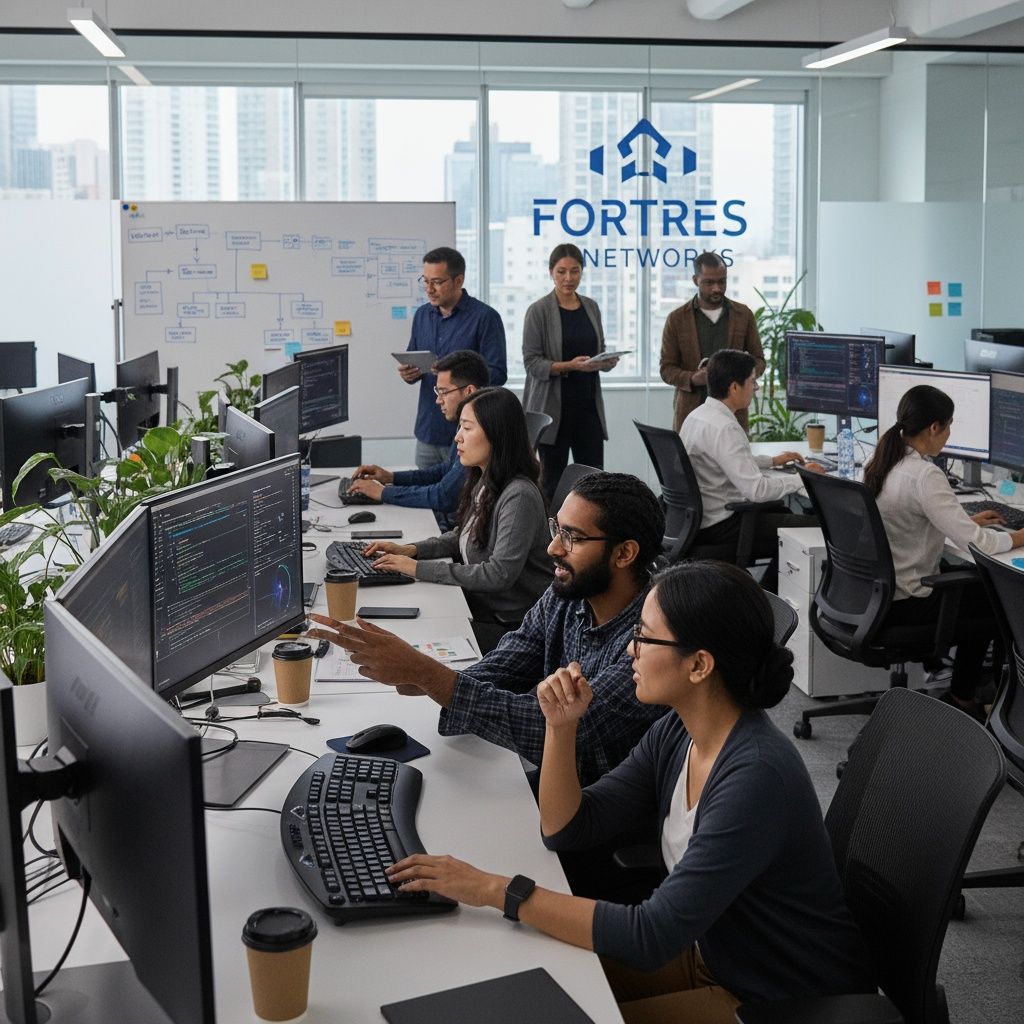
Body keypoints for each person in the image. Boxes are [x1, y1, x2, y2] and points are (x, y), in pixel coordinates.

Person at [384, 562, 876, 1023]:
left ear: (699, 664)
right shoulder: (680, 732)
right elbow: (570, 828)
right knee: (508, 983)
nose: (628, 650)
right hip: (716, 954)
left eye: (644, 636)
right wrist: (561, 727)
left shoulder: (756, 776)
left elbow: (650, 935)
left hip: (776, 999)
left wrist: (491, 888)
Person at [306, 472, 667, 787]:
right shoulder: (570, 594)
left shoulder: (653, 638)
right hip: (538, 776)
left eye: (572, 537)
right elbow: (509, 662)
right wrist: (424, 677)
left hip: (589, 805)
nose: (553, 547)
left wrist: (431, 677)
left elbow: (569, 732)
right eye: (557, 528)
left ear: (624, 554)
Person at [863, 384, 1024, 719]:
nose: (949, 434)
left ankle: (967, 692)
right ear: (934, 427)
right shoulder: (925, 475)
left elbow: (912, 516)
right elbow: (981, 544)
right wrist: (1021, 535)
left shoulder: (882, 458)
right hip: (909, 600)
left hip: (879, 595)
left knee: (977, 587)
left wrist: (962, 518)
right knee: (995, 600)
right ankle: (969, 698)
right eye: (949, 425)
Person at [356, 387, 552, 636]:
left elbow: (498, 574)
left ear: (497, 435)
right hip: (479, 603)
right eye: (459, 427)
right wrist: (412, 550)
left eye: (467, 428)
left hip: (512, 625)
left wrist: (416, 568)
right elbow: (464, 534)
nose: (457, 437)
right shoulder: (486, 479)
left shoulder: (519, 495)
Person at [680, 348, 822, 592]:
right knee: (815, 527)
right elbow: (757, 490)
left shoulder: (698, 416)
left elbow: (724, 459)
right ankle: (769, 600)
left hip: (701, 521)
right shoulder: (725, 427)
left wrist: (773, 461)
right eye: (752, 382)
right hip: (724, 526)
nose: (755, 389)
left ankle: (766, 594)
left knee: (785, 510)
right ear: (734, 387)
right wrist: (801, 478)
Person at [345, 349, 488, 530]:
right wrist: (391, 477)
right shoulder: (467, 423)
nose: (438, 400)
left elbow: (444, 496)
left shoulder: (480, 432)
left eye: (444, 392)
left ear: (469, 391)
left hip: (461, 533)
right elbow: (444, 470)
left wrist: (383, 492)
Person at [522, 243, 618, 501]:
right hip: (553, 411)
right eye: (561, 271)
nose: (568, 278)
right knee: (552, 481)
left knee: (594, 478)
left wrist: (605, 361)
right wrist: (570, 366)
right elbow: (532, 363)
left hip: (587, 408)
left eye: (574, 271)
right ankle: (549, 538)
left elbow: (598, 349)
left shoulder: (591, 307)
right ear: (551, 272)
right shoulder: (538, 311)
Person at [397, 246, 507, 470]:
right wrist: (409, 374)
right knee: (425, 498)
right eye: (425, 281)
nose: (429, 289)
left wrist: (456, 378)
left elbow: (497, 373)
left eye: (437, 282)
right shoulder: (422, 315)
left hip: (468, 431)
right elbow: (414, 358)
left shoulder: (485, 318)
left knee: (461, 501)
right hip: (428, 430)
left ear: (459, 280)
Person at [659, 251, 764, 433]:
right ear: (695, 280)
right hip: (691, 412)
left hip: (733, 415)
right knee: (689, 461)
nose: (717, 288)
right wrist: (692, 378)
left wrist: (742, 376)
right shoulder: (677, 319)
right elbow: (666, 369)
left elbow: (759, 360)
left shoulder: (743, 315)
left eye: (722, 281)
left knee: (734, 460)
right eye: (709, 282)